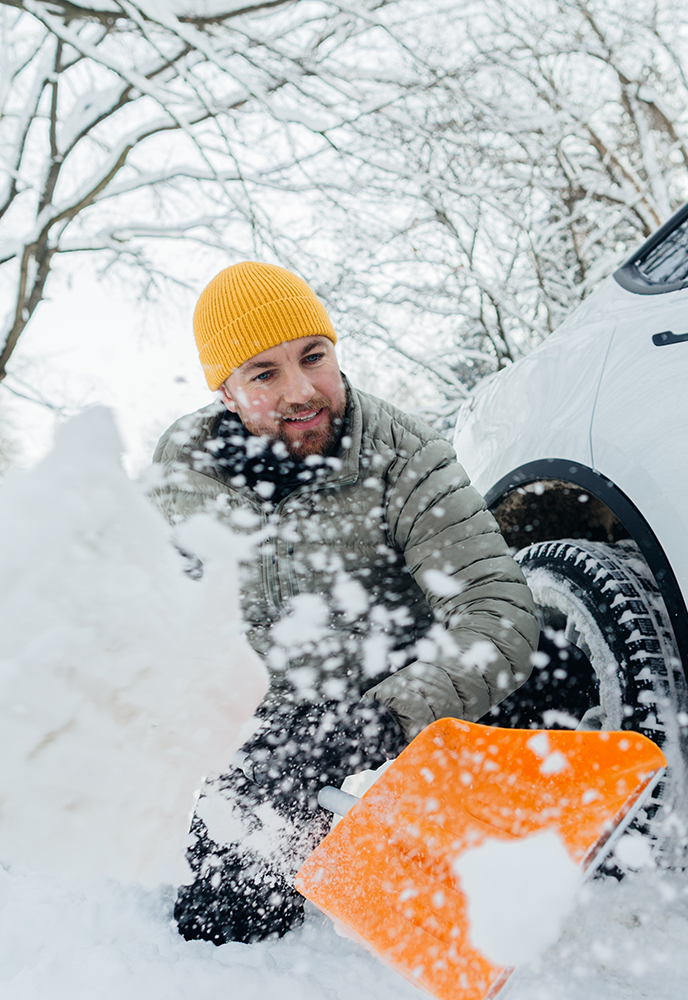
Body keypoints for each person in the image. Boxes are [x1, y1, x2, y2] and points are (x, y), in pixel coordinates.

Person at [149, 262, 540, 944]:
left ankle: (527, 853)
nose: (302, 391)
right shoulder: (184, 471)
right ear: (227, 392)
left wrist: (380, 718)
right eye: (265, 374)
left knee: (547, 669)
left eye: (314, 357)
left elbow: (497, 607)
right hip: (277, 719)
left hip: (399, 683)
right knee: (223, 924)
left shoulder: (405, 453)